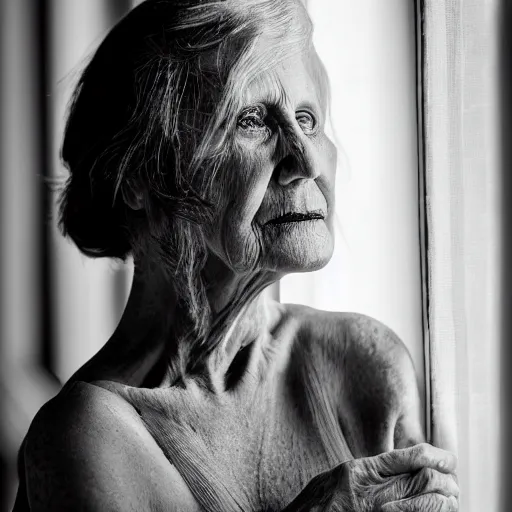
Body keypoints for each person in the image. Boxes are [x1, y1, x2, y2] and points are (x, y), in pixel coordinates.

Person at [14, 0, 459, 510]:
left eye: (308, 119)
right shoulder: (85, 434)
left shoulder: (364, 361)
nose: (306, 159)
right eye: (251, 120)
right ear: (139, 177)